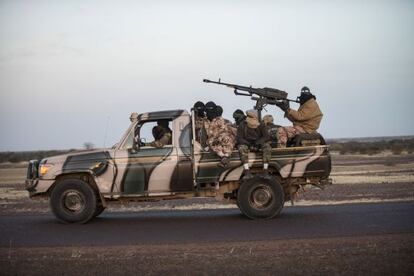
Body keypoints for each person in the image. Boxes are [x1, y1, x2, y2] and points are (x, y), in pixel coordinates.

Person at [237, 110, 272, 178]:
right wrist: (248, 144)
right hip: (246, 143)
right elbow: (239, 138)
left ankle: (265, 170)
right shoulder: (242, 125)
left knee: (267, 147)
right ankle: (247, 171)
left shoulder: (261, 124)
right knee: (241, 148)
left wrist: (258, 143)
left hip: (258, 143)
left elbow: (266, 136)